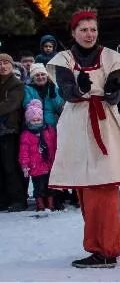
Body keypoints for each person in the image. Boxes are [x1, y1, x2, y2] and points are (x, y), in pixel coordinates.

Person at [46, 9, 120, 268]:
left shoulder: (110, 57)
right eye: (83, 29)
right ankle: (112, 235)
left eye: (93, 29)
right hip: (77, 124)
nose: (89, 34)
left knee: (105, 185)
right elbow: (66, 91)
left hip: (104, 123)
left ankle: (106, 248)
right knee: (86, 187)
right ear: (74, 32)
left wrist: (112, 92)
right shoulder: (64, 59)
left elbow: (116, 89)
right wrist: (79, 88)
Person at [19, 99, 60, 211]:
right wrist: (25, 165)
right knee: (38, 187)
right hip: (35, 166)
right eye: (33, 120)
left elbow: (55, 145)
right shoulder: (26, 135)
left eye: (38, 119)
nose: (36, 122)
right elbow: (24, 152)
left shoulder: (49, 130)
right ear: (28, 121)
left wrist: (57, 159)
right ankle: (40, 204)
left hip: (49, 164)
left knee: (50, 185)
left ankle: (51, 203)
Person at [0, 54, 26, 212]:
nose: (2, 66)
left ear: (11, 65)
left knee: (10, 166)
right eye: (0, 63)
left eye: (5, 63)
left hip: (9, 129)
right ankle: (3, 199)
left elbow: (11, 104)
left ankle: (18, 199)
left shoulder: (16, 84)